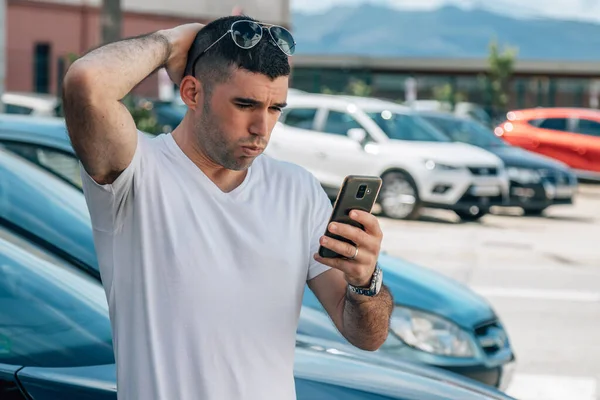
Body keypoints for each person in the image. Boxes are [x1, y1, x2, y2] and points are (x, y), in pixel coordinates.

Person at [62, 15, 394, 400]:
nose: (262, 128)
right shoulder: (136, 172)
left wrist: (364, 282)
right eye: (245, 104)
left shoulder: (297, 190)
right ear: (191, 92)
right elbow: (86, 83)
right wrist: (175, 41)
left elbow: (367, 337)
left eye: (275, 109)